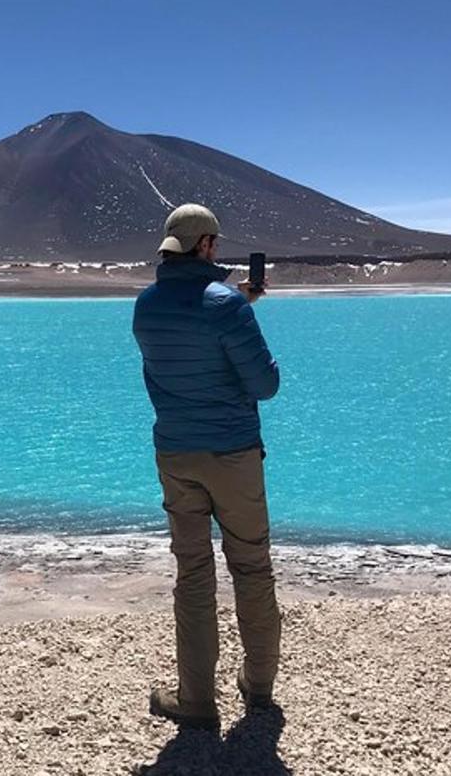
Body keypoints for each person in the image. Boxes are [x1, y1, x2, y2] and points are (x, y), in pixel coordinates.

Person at [132, 203, 281, 729]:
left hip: (175, 454)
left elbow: (183, 343)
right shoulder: (227, 308)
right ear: (206, 246)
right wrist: (243, 309)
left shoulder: (145, 307)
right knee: (251, 566)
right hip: (233, 454)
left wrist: (235, 305)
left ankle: (195, 698)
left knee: (193, 574)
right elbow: (265, 384)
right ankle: (258, 687)